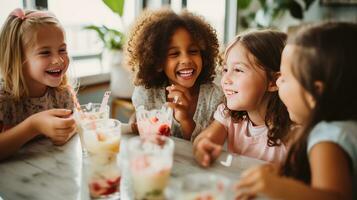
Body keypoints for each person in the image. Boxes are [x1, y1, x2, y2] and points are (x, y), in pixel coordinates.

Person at [236, 22, 357, 200]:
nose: (277, 83)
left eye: (284, 78)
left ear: (314, 92)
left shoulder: (327, 140)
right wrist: (284, 173)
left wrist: (275, 186)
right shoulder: (347, 127)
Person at [193, 30, 292, 166]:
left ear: (274, 81)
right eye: (226, 70)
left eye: (238, 70)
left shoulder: (292, 133)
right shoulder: (228, 115)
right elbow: (205, 139)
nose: (225, 79)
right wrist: (202, 146)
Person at [126, 8, 223, 141]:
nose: (186, 60)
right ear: (158, 62)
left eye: (193, 51)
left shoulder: (215, 98)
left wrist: (185, 119)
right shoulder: (147, 93)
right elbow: (139, 126)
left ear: (204, 56)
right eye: (174, 54)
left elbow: (207, 145)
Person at [0, 8, 76, 160]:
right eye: (45, 53)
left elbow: (77, 120)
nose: (59, 60)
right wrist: (33, 125)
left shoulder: (62, 94)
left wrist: (69, 130)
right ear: (18, 59)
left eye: (62, 50)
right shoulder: (4, 101)